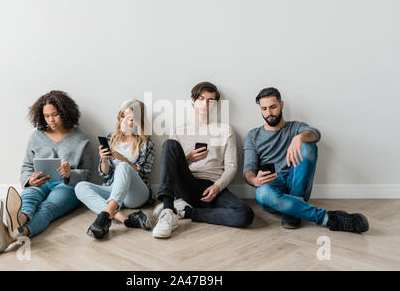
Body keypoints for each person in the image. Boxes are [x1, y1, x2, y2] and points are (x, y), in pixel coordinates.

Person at [243, 87, 369, 233]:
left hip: (297, 184)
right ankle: (326, 218)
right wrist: (254, 180)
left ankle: (294, 206)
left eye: (273, 107)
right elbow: (248, 170)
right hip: (272, 188)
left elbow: (315, 134)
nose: (269, 113)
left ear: (281, 105)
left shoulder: (296, 127)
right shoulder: (253, 135)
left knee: (308, 145)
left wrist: (299, 137)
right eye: (264, 109)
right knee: (262, 193)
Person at [0, 90, 94, 252]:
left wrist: (70, 174)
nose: (51, 120)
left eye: (55, 115)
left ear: (66, 112)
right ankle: (17, 220)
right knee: (28, 198)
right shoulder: (36, 136)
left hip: (67, 186)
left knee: (47, 209)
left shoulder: (81, 139)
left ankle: (11, 235)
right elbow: (26, 166)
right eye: (47, 116)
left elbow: (88, 174)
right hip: (40, 182)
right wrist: (29, 180)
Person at [152, 82, 254, 238]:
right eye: (201, 98)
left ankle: (187, 211)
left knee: (245, 214)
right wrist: (189, 159)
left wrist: (218, 187)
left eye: (210, 100)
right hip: (186, 182)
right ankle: (167, 210)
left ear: (215, 104)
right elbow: (172, 165)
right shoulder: (178, 131)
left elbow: (231, 166)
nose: (205, 104)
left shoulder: (225, 130)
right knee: (170, 145)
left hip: (212, 186)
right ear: (193, 100)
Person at [75, 99, 155, 239]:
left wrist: (123, 158)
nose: (124, 121)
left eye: (129, 118)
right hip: (114, 191)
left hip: (135, 195)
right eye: (122, 117)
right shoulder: (111, 138)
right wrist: (104, 159)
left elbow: (144, 172)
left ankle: (106, 215)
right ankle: (124, 218)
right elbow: (105, 174)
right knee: (80, 187)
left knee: (123, 166)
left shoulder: (146, 143)